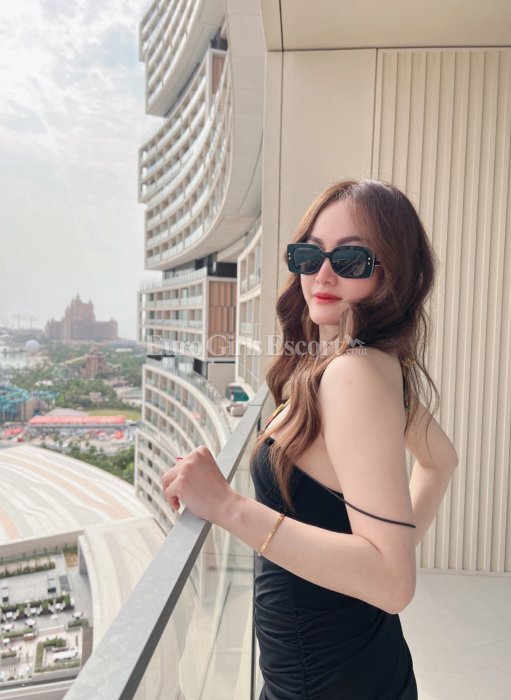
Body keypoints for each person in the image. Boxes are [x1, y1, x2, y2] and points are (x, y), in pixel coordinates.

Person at [161, 179, 459, 699]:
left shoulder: (353, 374)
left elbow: (393, 586)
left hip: (327, 681)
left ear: (392, 274)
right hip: (342, 665)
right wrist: (384, 551)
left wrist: (227, 506)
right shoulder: (373, 364)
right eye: (309, 254)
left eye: (351, 260)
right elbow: (443, 461)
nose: (322, 274)